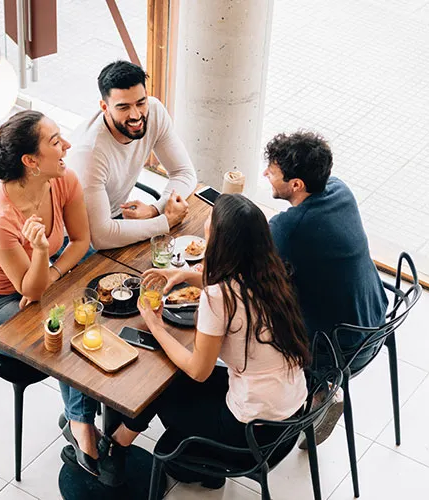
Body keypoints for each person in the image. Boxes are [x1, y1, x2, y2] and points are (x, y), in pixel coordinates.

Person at [60, 194, 311, 487]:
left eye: (210, 226)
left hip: (248, 435)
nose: (206, 226)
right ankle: (118, 445)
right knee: (171, 376)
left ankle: (115, 447)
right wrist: (183, 275)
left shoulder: (219, 298)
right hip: (289, 413)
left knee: (157, 384)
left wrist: (155, 325)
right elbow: (237, 290)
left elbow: (198, 370)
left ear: (220, 243)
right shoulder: (272, 274)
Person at [263, 131, 388, 447]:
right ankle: (318, 387)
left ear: (296, 185)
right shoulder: (339, 189)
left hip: (339, 352)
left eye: (272, 172)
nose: (265, 174)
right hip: (374, 321)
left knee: (255, 322)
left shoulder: (289, 227)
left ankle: (316, 390)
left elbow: (245, 266)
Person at [0, 110, 90, 353]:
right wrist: (41, 251)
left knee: (90, 316)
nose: (67, 145)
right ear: (31, 161)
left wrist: (53, 273)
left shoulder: (64, 179)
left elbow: (81, 240)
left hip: (36, 279)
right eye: (55, 141)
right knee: (63, 341)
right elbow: (30, 289)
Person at [67, 60, 197, 250]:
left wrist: (155, 210)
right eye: (123, 107)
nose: (136, 115)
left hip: (112, 220)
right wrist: (165, 222)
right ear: (105, 107)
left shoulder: (154, 111)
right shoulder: (89, 152)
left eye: (140, 102)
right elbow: (101, 237)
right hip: (76, 237)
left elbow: (184, 173)